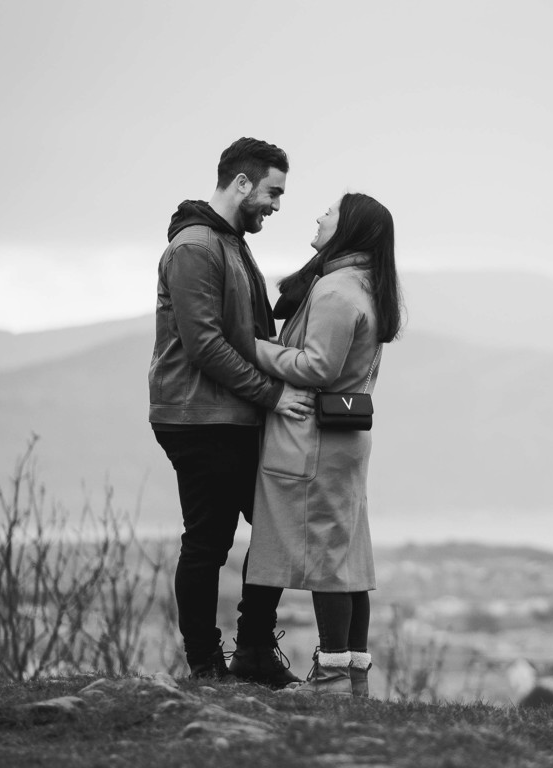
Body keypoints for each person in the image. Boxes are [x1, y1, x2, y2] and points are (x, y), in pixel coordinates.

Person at [148, 137, 314, 686]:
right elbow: (205, 346)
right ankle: (205, 664)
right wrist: (272, 395)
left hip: (229, 414)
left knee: (273, 528)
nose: (276, 204)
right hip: (198, 417)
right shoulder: (197, 247)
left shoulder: (230, 243)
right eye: (273, 191)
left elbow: (249, 330)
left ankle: (253, 654)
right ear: (241, 183)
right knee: (208, 542)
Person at [246, 192, 402, 696]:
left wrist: (258, 349)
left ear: (349, 228)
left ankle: (332, 679)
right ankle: (353, 676)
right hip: (345, 438)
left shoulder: (336, 291)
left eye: (329, 212)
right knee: (349, 561)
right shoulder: (368, 286)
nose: (318, 216)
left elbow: (317, 367)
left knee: (328, 563)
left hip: (314, 441)